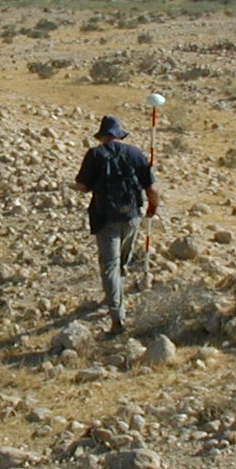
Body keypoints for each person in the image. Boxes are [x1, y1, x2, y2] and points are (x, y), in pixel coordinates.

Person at [73, 114, 159, 335]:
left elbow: (82, 185)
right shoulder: (136, 153)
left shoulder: (94, 154)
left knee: (109, 266)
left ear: (102, 136)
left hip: (105, 218)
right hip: (132, 217)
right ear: (119, 135)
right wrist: (152, 209)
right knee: (122, 260)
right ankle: (117, 289)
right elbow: (152, 189)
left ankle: (117, 317)